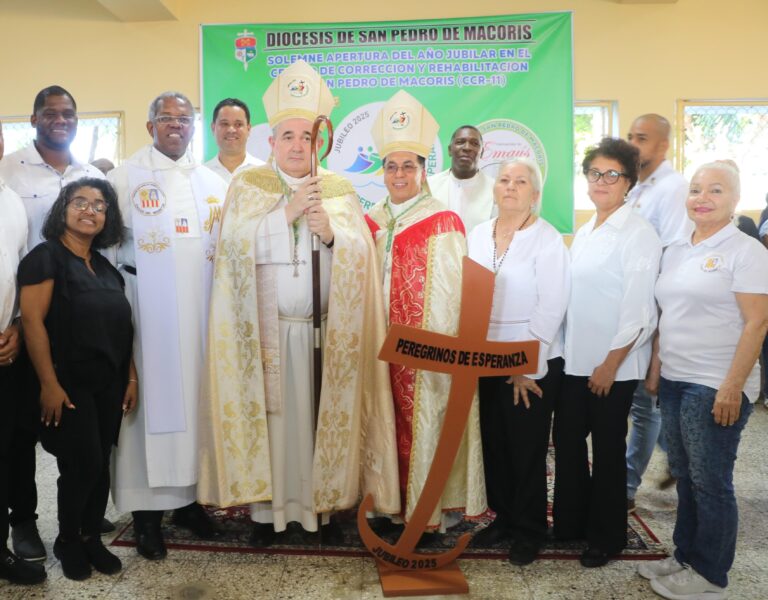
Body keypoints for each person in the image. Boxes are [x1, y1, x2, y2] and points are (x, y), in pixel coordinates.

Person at [198, 59, 400, 548]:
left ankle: (321, 514)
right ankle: (267, 517)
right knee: (274, 427)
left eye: (305, 137)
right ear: (271, 142)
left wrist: (332, 236)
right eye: (286, 136)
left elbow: (363, 256)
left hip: (323, 331)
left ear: (317, 142)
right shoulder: (249, 186)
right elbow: (231, 252)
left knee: (317, 423)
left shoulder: (339, 189)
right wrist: (285, 214)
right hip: (266, 333)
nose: (295, 145)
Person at [638, 161, 768, 600]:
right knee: (686, 474)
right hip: (675, 378)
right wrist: (657, 367)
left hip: (715, 381)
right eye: (696, 189)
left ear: (735, 200)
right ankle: (686, 555)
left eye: (716, 190)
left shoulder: (746, 252)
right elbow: (668, 314)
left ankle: (711, 575)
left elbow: (757, 323)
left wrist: (732, 386)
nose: (702, 197)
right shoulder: (677, 248)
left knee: (711, 480)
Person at [108, 91, 227, 560]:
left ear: (194, 127)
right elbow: (106, 251)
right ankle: (146, 518)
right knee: (149, 412)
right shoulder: (125, 178)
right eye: (166, 118)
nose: (176, 125)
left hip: (200, 312)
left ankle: (190, 503)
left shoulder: (211, 181)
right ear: (150, 126)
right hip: (147, 312)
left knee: (196, 406)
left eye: (184, 118)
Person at [366, 90, 486, 537]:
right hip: (378, 345)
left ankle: (426, 513)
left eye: (408, 166)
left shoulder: (443, 221)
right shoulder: (370, 220)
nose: (399, 174)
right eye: (391, 166)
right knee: (381, 422)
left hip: (423, 354)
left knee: (425, 424)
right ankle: (384, 507)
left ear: (422, 171)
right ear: (382, 172)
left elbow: (453, 297)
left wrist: (438, 351)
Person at [0, 85, 104, 563]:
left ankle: (79, 510)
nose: (59, 120)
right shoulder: (10, 172)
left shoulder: (89, 173)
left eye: (68, 114)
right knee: (22, 429)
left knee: (76, 417)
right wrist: (21, 321)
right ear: (33, 119)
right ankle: (23, 519)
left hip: (78, 319)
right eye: (50, 113)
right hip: (31, 318)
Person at [553, 138, 661, 568]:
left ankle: (607, 535)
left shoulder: (638, 233)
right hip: (576, 361)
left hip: (612, 366)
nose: (601, 181)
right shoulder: (586, 230)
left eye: (612, 174)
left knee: (608, 450)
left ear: (629, 182)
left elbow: (640, 311)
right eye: (594, 173)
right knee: (567, 442)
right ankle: (572, 523)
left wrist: (610, 364)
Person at [18, 178, 133, 581]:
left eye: (99, 206)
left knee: (100, 463)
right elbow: (32, 324)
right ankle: (68, 540)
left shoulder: (104, 266)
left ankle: (90, 538)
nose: (90, 211)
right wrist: (49, 384)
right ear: (62, 210)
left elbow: (122, 327)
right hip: (68, 382)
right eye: (80, 202)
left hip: (108, 382)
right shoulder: (45, 258)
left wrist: (130, 376)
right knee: (81, 463)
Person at [467, 158, 570, 565]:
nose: (510, 186)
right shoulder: (478, 234)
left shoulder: (547, 239)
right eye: (504, 180)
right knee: (493, 444)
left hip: (531, 362)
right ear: (494, 189)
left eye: (521, 181)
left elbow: (552, 306)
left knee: (526, 448)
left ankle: (530, 529)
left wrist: (527, 367)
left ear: (535, 194)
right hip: (485, 357)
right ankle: (504, 518)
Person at [624, 113, 690, 510]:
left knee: (645, 403)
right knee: (645, 401)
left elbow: (673, 256)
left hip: (655, 310)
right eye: (630, 136)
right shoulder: (637, 186)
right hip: (632, 307)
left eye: (642, 138)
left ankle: (626, 488)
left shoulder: (673, 188)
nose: (633, 144)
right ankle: (677, 455)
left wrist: (661, 327)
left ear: (663, 145)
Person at [0, 120, 46, 586]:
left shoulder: (10, 199)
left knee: (15, 444)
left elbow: (13, 272)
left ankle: (11, 540)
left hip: (8, 347)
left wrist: (15, 323)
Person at [428, 125, 494, 233]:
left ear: (481, 152)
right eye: (460, 142)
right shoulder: (430, 186)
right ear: (450, 150)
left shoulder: (495, 189)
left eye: (474, 143)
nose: (467, 148)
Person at [204, 98, 264, 183]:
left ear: (248, 129)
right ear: (213, 128)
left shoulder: (265, 173)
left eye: (238, 124)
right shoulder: (202, 174)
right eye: (225, 124)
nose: (231, 130)